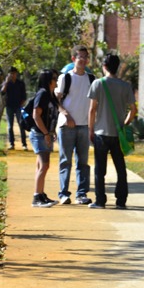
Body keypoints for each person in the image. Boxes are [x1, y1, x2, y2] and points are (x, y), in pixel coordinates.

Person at [87, 53, 137, 209]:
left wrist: (91, 130)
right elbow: (133, 110)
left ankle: (100, 201)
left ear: (104, 67)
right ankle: (121, 201)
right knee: (121, 168)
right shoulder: (126, 86)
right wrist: (125, 123)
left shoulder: (97, 84)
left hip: (101, 133)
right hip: (118, 134)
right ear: (118, 67)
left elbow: (92, 110)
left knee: (99, 170)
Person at [54, 45, 94, 205]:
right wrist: (65, 114)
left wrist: (92, 126)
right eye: (80, 57)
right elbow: (56, 100)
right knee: (65, 161)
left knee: (83, 162)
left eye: (85, 57)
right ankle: (63, 193)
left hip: (84, 126)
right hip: (67, 126)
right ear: (73, 59)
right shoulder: (66, 78)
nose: (83, 60)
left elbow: (94, 103)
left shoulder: (91, 79)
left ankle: (81, 194)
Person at [29, 69, 59, 208]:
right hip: (39, 134)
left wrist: (51, 131)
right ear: (48, 80)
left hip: (46, 133)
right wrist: (46, 133)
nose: (57, 80)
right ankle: (36, 197)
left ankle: (40, 194)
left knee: (41, 166)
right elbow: (36, 115)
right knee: (44, 165)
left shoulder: (51, 95)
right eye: (54, 78)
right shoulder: (43, 94)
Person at [1, 66, 28, 151]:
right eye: (11, 73)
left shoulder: (20, 83)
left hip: (18, 106)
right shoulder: (7, 83)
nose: (13, 75)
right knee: (10, 126)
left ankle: (24, 144)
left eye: (14, 73)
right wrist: (6, 82)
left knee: (21, 125)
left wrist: (21, 105)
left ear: (16, 74)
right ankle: (11, 143)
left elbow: (24, 96)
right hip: (9, 106)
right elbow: (2, 92)